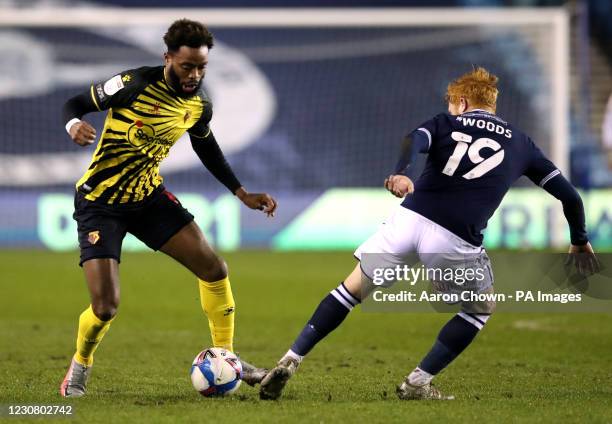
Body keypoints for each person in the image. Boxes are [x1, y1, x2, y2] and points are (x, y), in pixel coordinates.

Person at [259, 67, 599, 401]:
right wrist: (580, 239)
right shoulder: (522, 143)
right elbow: (569, 196)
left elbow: (414, 139)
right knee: (479, 308)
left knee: (351, 290)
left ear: (463, 102)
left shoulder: (445, 122)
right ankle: (417, 383)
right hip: (454, 239)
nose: (450, 107)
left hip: (408, 220)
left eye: (452, 102)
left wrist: (401, 172)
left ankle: (291, 358)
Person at [60, 18, 277, 397]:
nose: (194, 75)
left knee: (214, 269)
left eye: (201, 67)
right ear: (168, 58)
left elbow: (206, 147)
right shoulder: (133, 85)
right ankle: (80, 364)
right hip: (100, 203)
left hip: (148, 198)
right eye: (187, 66)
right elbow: (75, 102)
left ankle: (226, 357)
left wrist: (241, 193)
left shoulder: (198, 105)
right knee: (106, 308)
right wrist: (74, 123)